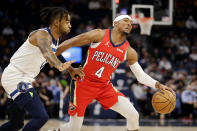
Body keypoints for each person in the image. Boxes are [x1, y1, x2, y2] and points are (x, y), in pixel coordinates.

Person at [56, 15, 175, 131]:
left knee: (134, 115)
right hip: (83, 84)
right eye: (125, 21)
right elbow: (68, 43)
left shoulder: (129, 51)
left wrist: (159, 85)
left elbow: (141, 76)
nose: (129, 24)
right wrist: (55, 59)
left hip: (104, 87)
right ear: (115, 23)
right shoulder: (99, 34)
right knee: (74, 128)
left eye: (131, 23)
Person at [0, 7, 84, 131]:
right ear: (56, 22)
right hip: (16, 77)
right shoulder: (42, 34)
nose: (70, 25)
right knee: (41, 117)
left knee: (16, 124)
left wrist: (71, 70)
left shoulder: (55, 40)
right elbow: (47, 53)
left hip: (22, 78)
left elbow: (56, 54)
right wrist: (59, 66)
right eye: (67, 22)